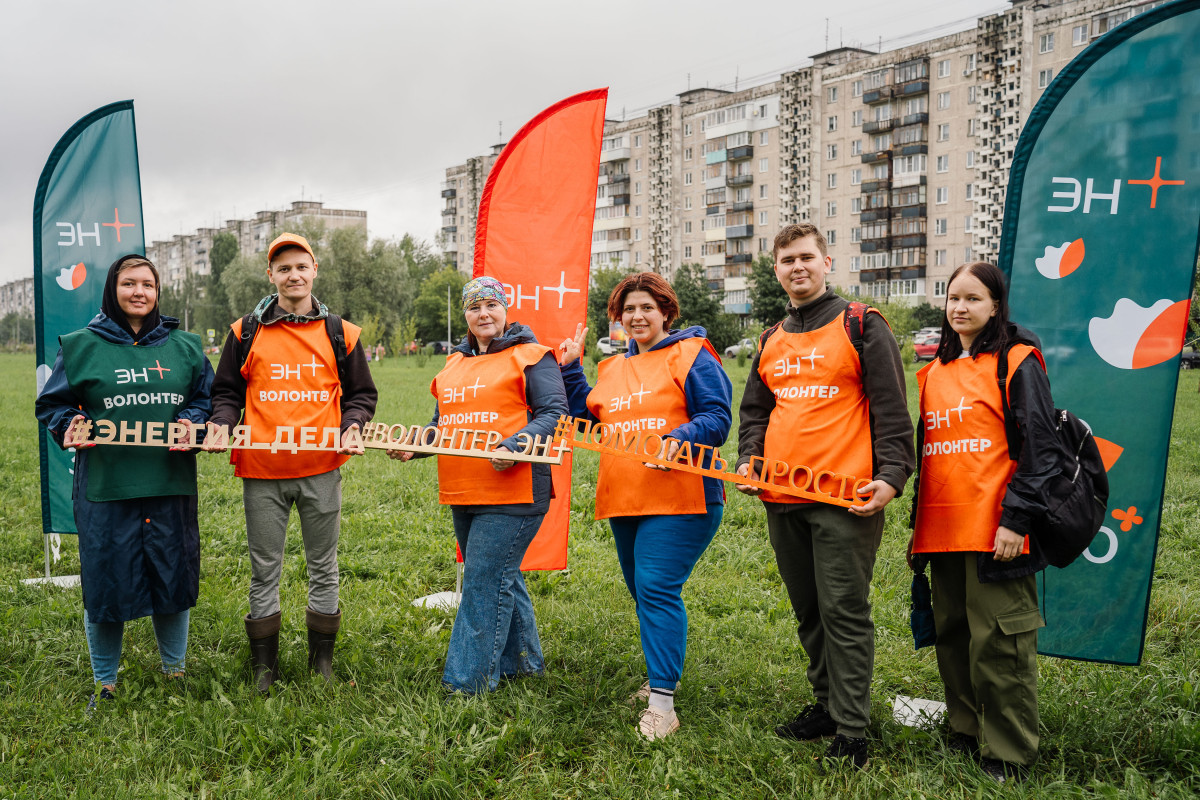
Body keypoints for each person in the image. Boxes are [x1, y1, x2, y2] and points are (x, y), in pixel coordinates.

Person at [735, 223, 914, 768]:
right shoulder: (771, 338)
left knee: (844, 611)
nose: (797, 267)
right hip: (782, 497)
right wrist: (748, 459)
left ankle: (853, 729)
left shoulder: (862, 324)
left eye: (806, 257)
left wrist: (892, 476)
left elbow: (891, 408)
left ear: (826, 262)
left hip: (846, 498)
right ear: (776, 271)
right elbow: (755, 413)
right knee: (809, 610)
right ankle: (826, 706)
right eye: (787, 260)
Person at [557, 272, 732, 741]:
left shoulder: (692, 353)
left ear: (666, 312)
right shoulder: (612, 368)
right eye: (628, 310)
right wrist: (572, 369)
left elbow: (717, 417)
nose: (636, 317)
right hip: (625, 496)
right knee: (643, 591)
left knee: (656, 587)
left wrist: (677, 440)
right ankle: (660, 674)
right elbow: (584, 422)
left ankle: (662, 704)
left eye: (646, 308)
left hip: (683, 496)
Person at [35, 255, 214, 710]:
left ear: (158, 292)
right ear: (112, 291)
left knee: (173, 576)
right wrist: (70, 420)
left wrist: (194, 420)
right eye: (128, 283)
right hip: (105, 488)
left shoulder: (186, 346)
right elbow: (54, 404)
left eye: (148, 285)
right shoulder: (79, 345)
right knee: (106, 582)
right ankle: (105, 681)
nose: (139, 292)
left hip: (170, 483)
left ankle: (174, 670)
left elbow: (204, 399)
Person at [204, 233, 377, 692]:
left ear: (314, 269)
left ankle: (322, 664)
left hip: (322, 468)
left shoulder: (342, 332)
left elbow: (361, 394)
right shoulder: (246, 331)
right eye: (283, 269)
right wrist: (222, 422)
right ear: (271, 276)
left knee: (324, 566)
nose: (293, 275)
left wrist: (354, 422)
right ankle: (265, 668)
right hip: (262, 472)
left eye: (301, 266)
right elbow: (225, 393)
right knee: (264, 569)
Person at [908, 261, 1056, 784]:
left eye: (972, 298)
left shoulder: (1016, 362)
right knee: (953, 638)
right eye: (952, 298)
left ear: (996, 306)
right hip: (941, 533)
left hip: (998, 533)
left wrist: (1016, 520)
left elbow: (1043, 448)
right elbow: (929, 456)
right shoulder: (933, 372)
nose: (960, 308)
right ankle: (965, 731)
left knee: (1000, 643)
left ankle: (1008, 753)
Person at [390, 276, 567, 694]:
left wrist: (514, 444)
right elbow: (443, 425)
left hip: (516, 491)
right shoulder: (455, 364)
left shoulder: (532, 356)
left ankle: (467, 683)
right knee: (500, 574)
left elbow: (555, 412)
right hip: (464, 489)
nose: (483, 313)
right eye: (474, 307)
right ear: (466, 315)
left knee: (483, 580)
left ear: (505, 309)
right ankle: (524, 664)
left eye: (490, 305)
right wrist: (414, 448)